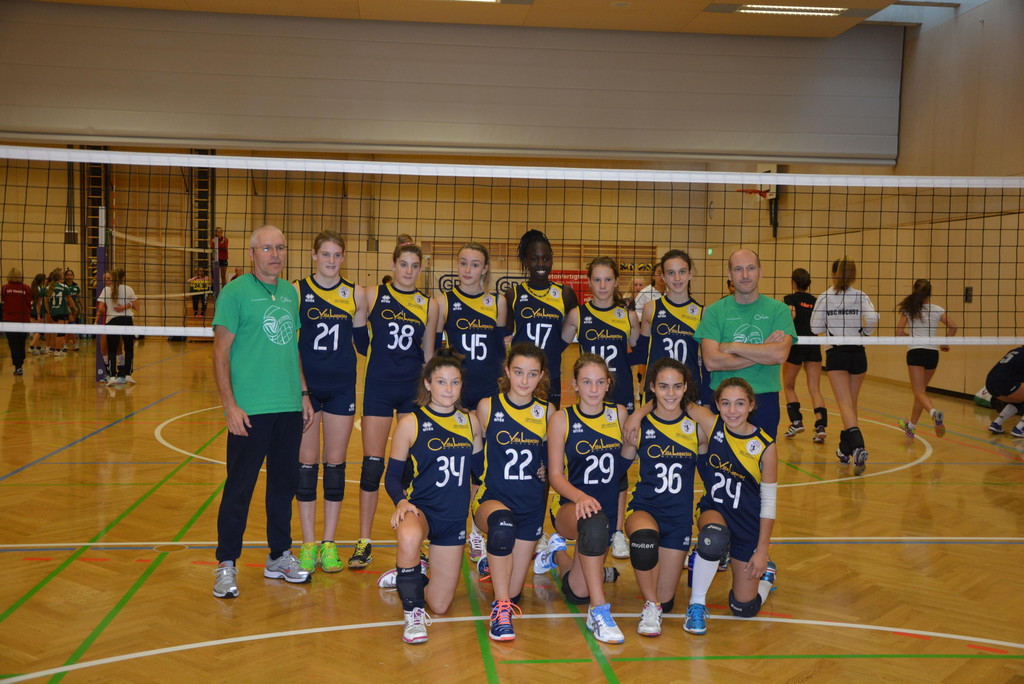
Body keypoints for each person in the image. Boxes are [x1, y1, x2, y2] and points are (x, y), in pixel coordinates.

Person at [211, 225, 315, 599]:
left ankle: (279, 555)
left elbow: (291, 347)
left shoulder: (289, 292)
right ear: (252, 253)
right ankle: (226, 563)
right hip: (250, 410)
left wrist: (303, 393)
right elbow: (220, 352)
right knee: (239, 489)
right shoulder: (234, 292)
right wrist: (230, 405)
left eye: (280, 247)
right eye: (267, 248)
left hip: (288, 406)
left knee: (283, 487)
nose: (275, 254)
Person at [376, 350, 484, 644]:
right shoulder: (410, 423)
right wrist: (401, 501)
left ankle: (410, 574)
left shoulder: (471, 423)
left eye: (455, 382)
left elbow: (482, 472)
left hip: (453, 520)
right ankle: (412, 613)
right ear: (427, 384)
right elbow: (392, 477)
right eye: (441, 382)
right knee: (409, 534)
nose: (448, 389)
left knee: (439, 604)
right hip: (421, 511)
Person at [350, 241, 437, 569]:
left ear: (421, 268)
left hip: (412, 391)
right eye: (403, 264)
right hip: (379, 388)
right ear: (393, 264)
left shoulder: (428, 305)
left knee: (412, 468)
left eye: (415, 265)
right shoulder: (373, 295)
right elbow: (360, 341)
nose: (409, 271)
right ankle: (364, 541)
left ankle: (416, 539)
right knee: (372, 466)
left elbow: (428, 355)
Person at [536, 354, 629, 644]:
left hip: (604, 513)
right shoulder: (561, 419)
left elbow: (622, 474)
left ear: (608, 384)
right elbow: (555, 476)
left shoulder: (619, 414)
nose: (593, 389)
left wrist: (618, 526)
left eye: (600, 382)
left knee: (577, 591)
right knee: (593, 524)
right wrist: (580, 497)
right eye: (586, 382)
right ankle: (599, 611)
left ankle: (555, 554)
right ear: (574, 384)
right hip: (569, 506)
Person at [294, 231, 367, 573]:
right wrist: (302, 392)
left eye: (337, 255)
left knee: (335, 467)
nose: (332, 260)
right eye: (325, 254)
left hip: (341, 388)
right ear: (314, 255)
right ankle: (308, 544)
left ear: (343, 258)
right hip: (307, 390)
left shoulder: (355, 294)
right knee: (306, 466)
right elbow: (291, 347)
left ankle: (329, 543)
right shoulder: (298, 291)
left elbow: (364, 344)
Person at [472, 343, 553, 641]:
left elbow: (553, 460)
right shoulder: (487, 407)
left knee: (515, 591)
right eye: (518, 372)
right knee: (503, 526)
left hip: (530, 507)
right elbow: (473, 457)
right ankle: (501, 611)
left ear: (541, 376)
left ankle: (494, 563)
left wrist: (546, 467)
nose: (524, 380)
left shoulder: (547, 412)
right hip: (493, 500)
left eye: (532, 374)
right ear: (507, 371)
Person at [684, 377, 778, 636]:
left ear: (751, 405)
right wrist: (638, 415)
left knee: (743, 607)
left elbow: (769, 504)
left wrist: (762, 551)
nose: (732, 410)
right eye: (725, 403)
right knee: (714, 536)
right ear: (717, 405)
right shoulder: (712, 425)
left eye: (739, 403)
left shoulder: (765, 447)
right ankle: (696, 605)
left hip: (747, 524)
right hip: (715, 511)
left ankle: (767, 577)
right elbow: (676, 399)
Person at [622, 358, 706, 637]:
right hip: (645, 508)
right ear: (652, 388)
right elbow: (617, 470)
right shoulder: (639, 426)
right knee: (644, 539)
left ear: (685, 388)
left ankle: (658, 601)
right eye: (663, 386)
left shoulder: (696, 428)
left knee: (667, 600)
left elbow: (713, 466)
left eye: (677, 387)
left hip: (678, 518)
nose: (670, 393)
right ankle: (650, 606)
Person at [434, 242, 507, 565]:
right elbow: (436, 352)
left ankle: (477, 531)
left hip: (488, 393)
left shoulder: (497, 303)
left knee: (482, 467)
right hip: (456, 393)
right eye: (463, 263)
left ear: (485, 269)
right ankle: (452, 528)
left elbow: (502, 354)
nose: (467, 270)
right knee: (455, 465)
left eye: (475, 264)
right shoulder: (444, 301)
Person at [562, 256, 639, 559]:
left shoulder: (627, 316)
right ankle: (583, 518)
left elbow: (640, 350)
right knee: (591, 457)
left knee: (619, 463)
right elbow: (558, 344)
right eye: (597, 279)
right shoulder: (577, 315)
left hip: (620, 396)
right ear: (589, 282)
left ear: (616, 281)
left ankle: (617, 531)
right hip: (591, 395)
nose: (603, 285)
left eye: (608, 279)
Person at [695, 249, 795, 440]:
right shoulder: (714, 311)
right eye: (738, 269)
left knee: (762, 457)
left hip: (764, 398)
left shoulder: (779, 310)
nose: (745, 275)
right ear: (729, 274)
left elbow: (780, 355)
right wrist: (763, 351)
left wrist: (732, 346)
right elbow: (711, 362)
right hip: (724, 399)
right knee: (723, 458)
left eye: (751, 268)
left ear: (760, 271)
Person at [809, 257, 879, 474]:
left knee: (845, 404)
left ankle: (858, 447)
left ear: (834, 274)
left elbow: (814, 328)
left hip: (837, 354)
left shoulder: (825, 297)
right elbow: (873, 319)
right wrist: (864, 332)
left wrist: (831, 323)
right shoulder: (861, 296)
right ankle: (844, 449)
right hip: (858, 354)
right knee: (850, 404)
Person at [505, 229, 578, 410]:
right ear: (525, 261)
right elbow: (505, 335)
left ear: (552, 259)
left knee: (550, 421)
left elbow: (579, 321)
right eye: (534, 259)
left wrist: (556, 347)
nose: (541, 264)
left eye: (546, 258)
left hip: (551, 373)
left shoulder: (565, 294)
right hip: (521, 374)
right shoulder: (513, 294)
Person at [638, 250, 708, 406]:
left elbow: (707, 362)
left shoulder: (702, 312)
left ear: (690, 274)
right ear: (663, 277)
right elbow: (642, 353)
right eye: (671, 273)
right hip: (657, 389)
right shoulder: (651, 308)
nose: (677, 278)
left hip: (688, 389)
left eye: (682, 272)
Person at [895, 279, 958, 439]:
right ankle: (911, 427)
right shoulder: (937, 310)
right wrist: (945, 342)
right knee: (921, 392)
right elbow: (953, 326)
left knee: (919, 392)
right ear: (929, 293)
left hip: (916, 352)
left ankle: (934, 413)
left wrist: (910, 336)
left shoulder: (909, 309)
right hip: (932, 354)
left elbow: (898, 332)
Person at [782, 268, 827, 442]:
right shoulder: (816, 301)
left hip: (796, 344)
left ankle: (796, 422)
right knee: (815, 389)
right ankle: (821, 426)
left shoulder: (789, 299)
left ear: (793, 282)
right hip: (813, 345)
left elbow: (791, 314)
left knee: (788, 386)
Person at [104, 268, 137, 386]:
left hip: (112, 321)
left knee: (112, 349)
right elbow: (136, 307)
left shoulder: (107, 290)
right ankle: (127, 374)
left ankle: (112, 377)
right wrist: (126, 306)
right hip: (126, 320)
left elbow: (101, 307)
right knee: (129, 348)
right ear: (123, 277)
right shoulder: (128, 289)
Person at [984, 347, 1024, 438]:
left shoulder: (1017, 350)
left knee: (1019, 399)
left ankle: (997, 424)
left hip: (990, 384)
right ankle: (1020, 429)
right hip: (1005, 383)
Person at [2, 268, 33, 375]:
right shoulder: (26, 288)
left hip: (9, 320)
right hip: (23, 319)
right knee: (21, 341)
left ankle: (18, 365)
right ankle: (19, 363)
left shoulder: (5, 288)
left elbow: (4, 301)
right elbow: (29, 303)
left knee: (13, 343)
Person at [44, 267, 76, 355]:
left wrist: (49, 312)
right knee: (61, 332)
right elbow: (70, 299)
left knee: (55, 331)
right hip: (62, 311)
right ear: (60, 277)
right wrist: (74, 308)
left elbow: (46, 302)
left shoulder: (48, 287)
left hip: (53, 312)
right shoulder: (64, 287)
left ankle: (54, 347)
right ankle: (58, 350)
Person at [64, 269, 82, 351]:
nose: (70, 276)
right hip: (66, 309)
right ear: (65, 276)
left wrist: (83, 308)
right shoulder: (63, 286)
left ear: (73, 276)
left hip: (75, 309)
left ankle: (66, 343)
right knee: (71, 325)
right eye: (68, 275)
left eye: (71, 275)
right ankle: (74, 343)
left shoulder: (76, 286)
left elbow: (79, 298)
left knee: (71, 325)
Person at [28, 273, 45, 355]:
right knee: (40, 330)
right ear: (42, 281)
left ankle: (38, 347)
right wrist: (38, 314)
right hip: (36, 310)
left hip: (30, 310)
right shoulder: (40, 289)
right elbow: (38, 303)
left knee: (35, 331)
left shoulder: (32, 287)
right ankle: (31, 347)